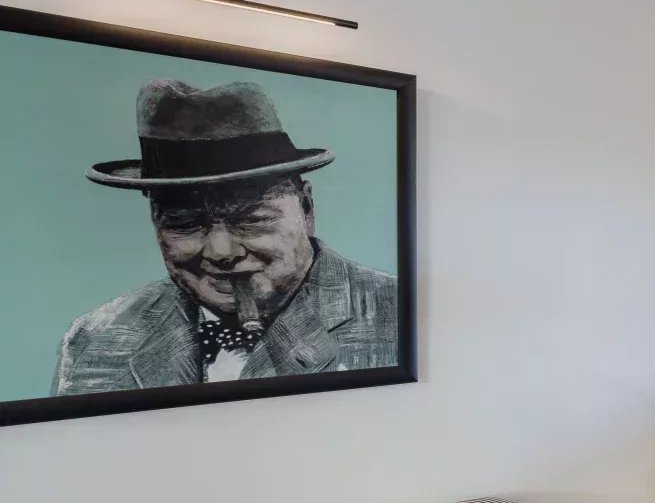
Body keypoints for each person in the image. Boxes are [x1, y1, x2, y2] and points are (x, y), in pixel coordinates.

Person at [52, 78, 399, 395]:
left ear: (306, 209)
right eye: (185, 223)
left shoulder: (399, 316)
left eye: (251, 220)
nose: (221, 252)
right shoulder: (96, 339)